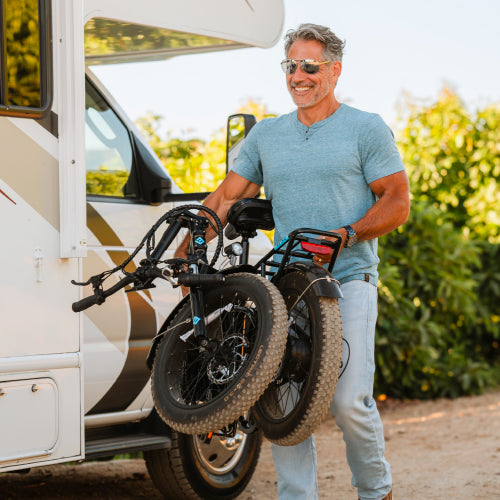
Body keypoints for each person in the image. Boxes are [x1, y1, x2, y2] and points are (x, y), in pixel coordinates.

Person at [175, 23, 410, 500]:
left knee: (348, 402)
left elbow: (397, 202)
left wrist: (347, 235)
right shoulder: (267, 135)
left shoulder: (365, 128)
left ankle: (375, 490)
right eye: (291, 65)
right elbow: (226, 195)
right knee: (279, 402)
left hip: (348, 278)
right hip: (287, 285)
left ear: (334, 70)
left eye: (310, 65)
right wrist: (191, 246)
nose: (298, 76)